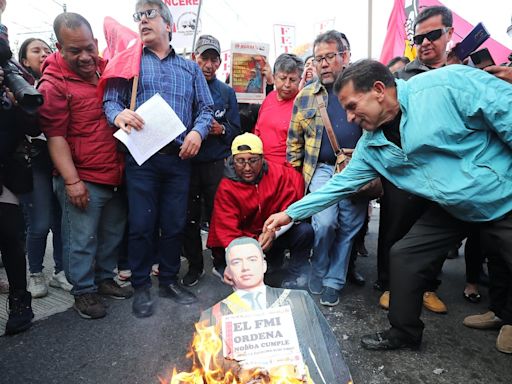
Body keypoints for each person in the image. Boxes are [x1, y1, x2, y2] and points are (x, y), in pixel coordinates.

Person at [265, 59, 512, 353]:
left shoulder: (445, 86)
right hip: (453, 206)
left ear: (379, 90)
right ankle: (404, 332)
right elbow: (337, 186)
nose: (349, 117)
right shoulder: (371, 145)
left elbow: (505, 112)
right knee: (405, 255)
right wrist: (290, 213)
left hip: (503, 197)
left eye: (353, 106)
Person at [103, 0, 213, 318]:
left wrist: (198, 133)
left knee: (174, 223)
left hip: (179, 158)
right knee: (141, 224)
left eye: (150, 14)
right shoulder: (130, 60)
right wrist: (119, 114)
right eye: (139, 16)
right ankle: (140, 286)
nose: (143, 21)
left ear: (169, 25)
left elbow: (205, 110)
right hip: (142, 158)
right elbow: (110, 101)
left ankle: (167, 281)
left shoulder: (190, 68)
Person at [38, 12, 132, 320]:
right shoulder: (52, 84)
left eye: (89, 47)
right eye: (75, 50)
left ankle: (104, 279)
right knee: (81, 240)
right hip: (83, 177)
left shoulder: (107, 70)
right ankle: (83, 291)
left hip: (114, 171)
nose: (85, 56)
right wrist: (72, 181)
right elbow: (55, 137)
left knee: (111, 234)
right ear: (59, 48)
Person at [199, 237, 352, 384]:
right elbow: (211, 373)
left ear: (264, 265)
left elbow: (324, 355)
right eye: (236, 262)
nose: (245, 267)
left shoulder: (298, 301)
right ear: (228, 271)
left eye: (252, 260)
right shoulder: (212, 316)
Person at [287, 30, 367, 306]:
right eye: (318, 58)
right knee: (324, 223)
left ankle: (334, 281)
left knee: (348, 227)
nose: (322, 63)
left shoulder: (362, 90)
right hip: (321, 169)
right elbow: (294, 141)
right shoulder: (306, 96)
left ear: (345, 57)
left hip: (356, 168)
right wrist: (294, 179)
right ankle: (318, 271)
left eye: (329, 57)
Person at [207, 133, 313, 288]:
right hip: (243, 240)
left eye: (253, 160)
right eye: (240, 161)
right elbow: (227, 230)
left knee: (305, 231)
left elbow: (291, 208)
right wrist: (251, 247)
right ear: (231, 161)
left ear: (263, 158)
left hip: (272, 234)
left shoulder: (279, 174)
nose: (247, 168)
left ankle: (296, 275)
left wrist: (273, 232)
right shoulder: (226, 187)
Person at [181, 34, 240, 287]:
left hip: (216, 164)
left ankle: (220, 261)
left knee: (219, 216)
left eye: (213, 60)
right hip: (186, 163)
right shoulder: (184, 85)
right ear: (195, 58)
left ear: (219, 63)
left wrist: (222, 130)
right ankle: (195, 266)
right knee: (188, 216)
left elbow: (238, 130)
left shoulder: (226, 91)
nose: (208, 64)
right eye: (204, 58)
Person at [17, 37, 72, 298]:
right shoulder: (19, 89)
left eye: (47, 50)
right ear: (24, 61)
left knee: (62, 222)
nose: (43, 54)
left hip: (62, 160)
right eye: (36, 51)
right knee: (39, 223)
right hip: (37, 161)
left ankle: (61, 272)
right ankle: (36, 273)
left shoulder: (62, 82)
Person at [0, 14, 38, 334]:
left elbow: (34, 127)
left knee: (12, 239)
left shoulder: (13, 78)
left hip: (5, 175)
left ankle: (20, 303)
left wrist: (18, 102)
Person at [254, 53, 303, 165]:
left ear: (300, 80)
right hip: (261, 167)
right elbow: (258, 128)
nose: (287, 84)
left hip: (286, 171)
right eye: (283, 78)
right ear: (275, 77)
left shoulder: (303, 104)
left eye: (292, 80)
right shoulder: (269, 98)